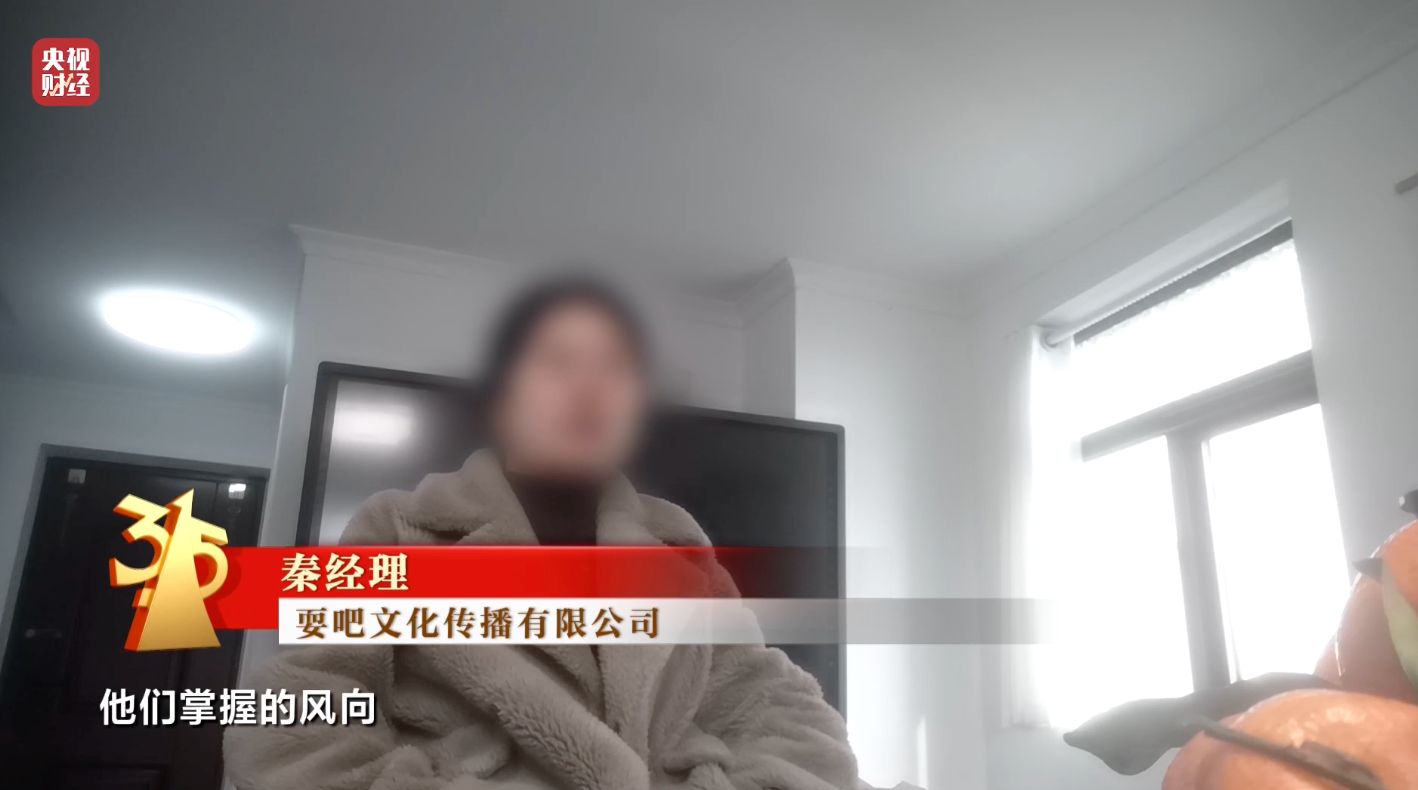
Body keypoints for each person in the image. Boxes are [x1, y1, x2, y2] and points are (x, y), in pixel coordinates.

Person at [224, 276, 859, 790]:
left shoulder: (680, 546)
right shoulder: (397, 528)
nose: (590, 388)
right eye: (556, 362)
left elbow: (777, 707)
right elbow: (295, 716)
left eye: (616, 368)